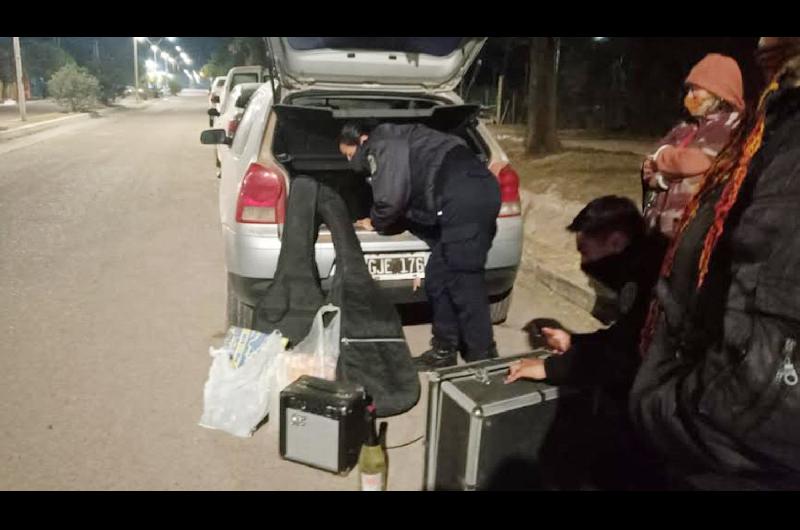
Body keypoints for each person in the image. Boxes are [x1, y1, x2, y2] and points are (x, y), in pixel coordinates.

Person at [632, 37, 800, 490]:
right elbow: (656, 165)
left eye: (697, 89)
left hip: (722, 433)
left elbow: (765, 379)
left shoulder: (742, 129)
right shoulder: (765, 126)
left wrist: (662, 402)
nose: (762, 42)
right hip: (679, 309)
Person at [505, 196, 668, 488]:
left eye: (585, 251)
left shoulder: (650, 281)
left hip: (658, 423)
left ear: (616, 242)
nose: (583, 263)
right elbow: (625, 334)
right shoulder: (647, 264)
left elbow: (627, 355)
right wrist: (574, 342)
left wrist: (549, 369)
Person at [338, 120, 501, 370]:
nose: (351, 164)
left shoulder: (382, 143)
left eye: (349, 155)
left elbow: (391, 199)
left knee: (465, 280)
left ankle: (484, 359)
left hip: (465, 194)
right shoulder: (400, 140)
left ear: (361, 140)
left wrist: (376, 221)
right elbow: (417, 195)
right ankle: (444, 349)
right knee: (438, 277)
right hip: (469, 192)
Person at [642, 53, 744, 239]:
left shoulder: (731, 127)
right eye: (688, 90)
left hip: (695, 237)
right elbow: (648, 166)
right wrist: (660, 172)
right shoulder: (684, 128)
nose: (689, 96)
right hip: (659, 232)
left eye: (696, 90)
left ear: (719, 93)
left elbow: (695, 162)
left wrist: (663, 159)